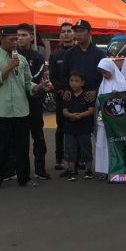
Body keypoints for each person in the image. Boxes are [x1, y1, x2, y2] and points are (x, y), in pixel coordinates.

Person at [0, 26, 45, 190]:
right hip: (1, 110)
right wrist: (9, 66)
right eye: (12, 39)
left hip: (21, 109)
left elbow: (27, 82)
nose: (15, 42)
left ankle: (24, 178)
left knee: (22, 147)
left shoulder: (21, 60)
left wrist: (36, 87)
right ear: (2, 39)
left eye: (16, 39)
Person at [17, 23, 50, 180]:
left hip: (34, 102)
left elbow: (35, 79)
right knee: (18, 138)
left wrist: (23, 84)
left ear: (31, 37)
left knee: (38, 136)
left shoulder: (38, 57)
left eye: (24, 35)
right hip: (17, 102)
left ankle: (40, 168)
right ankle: (19, 169)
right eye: (18, 35)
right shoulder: (12, 55)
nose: (20, 38)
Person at [94, 58, 126, 180]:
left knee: (116, 144)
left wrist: (118, 94)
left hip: (117, 120)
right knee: (102, 144)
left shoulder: (121, 83)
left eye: (106, 72)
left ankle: (118, 169)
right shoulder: (103, 83)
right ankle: (103, 169)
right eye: (102, 73)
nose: (104, 75)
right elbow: (99, 101)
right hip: (103, 117)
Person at [48, 22, 75, 170]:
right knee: (61, 128)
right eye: (63, 31)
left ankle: (78, 158)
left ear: (73, 34)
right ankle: (59, 158)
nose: (66, 34)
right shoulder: (55, 55)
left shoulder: (78, 53)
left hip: (78, 96)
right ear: (60, 35)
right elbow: (53, 76)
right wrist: (62, 91)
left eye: (69, 31)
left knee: (78, 128)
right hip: (61, 97)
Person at [60, 20, 106, 106]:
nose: (78, 34)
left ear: (89, 33)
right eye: (76, 31)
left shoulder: (100, 54)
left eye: (81, 31)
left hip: (93, 98)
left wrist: (96, 91)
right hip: (73, 98)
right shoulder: (69, 53)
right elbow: (64, 74)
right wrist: (66, 89)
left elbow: (104, 76)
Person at [61, 71, 95, 181]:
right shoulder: (67, 96)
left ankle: (88, 170)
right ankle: (71, 171)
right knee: (70, 151)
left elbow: (91, 110)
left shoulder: (87, 96)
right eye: (71, 81)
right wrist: (70, 115)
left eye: (77, 81)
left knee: (86, 150)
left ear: (82, 83)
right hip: (70, 129)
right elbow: (64, 111)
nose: (74, 83)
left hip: (84, 129)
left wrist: (80, 115)